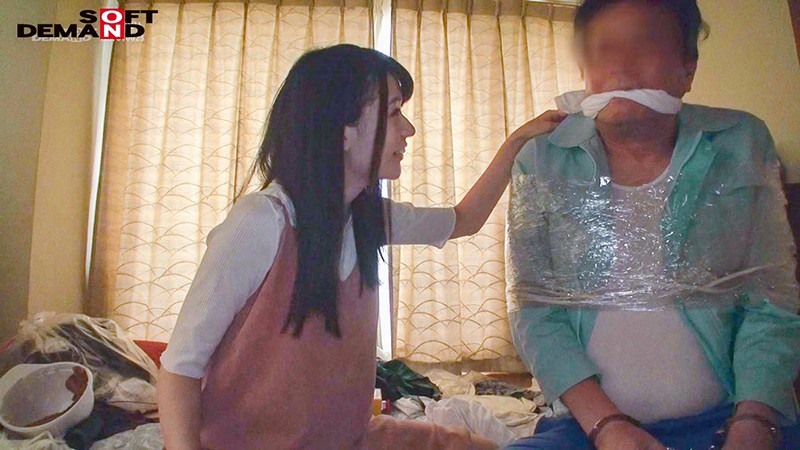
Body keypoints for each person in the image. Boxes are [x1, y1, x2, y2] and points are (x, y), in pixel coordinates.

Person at [156, 44, 565, 449]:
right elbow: (179, 369)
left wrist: (518, 142)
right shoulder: (262, 222)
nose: (408, 129)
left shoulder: (368, 219)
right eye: (393, 113)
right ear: (341, 130)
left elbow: (465, 220)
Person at [504, 1, 800, 449]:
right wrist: (608, 427)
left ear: (687, 69)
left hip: (730, 418)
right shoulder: (542, 160)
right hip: (588, 428)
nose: (620, 65)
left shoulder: (740, 143)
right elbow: (534, 313)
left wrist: (754, 420)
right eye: (603, 49)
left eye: (644, 43)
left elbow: (771, 300)